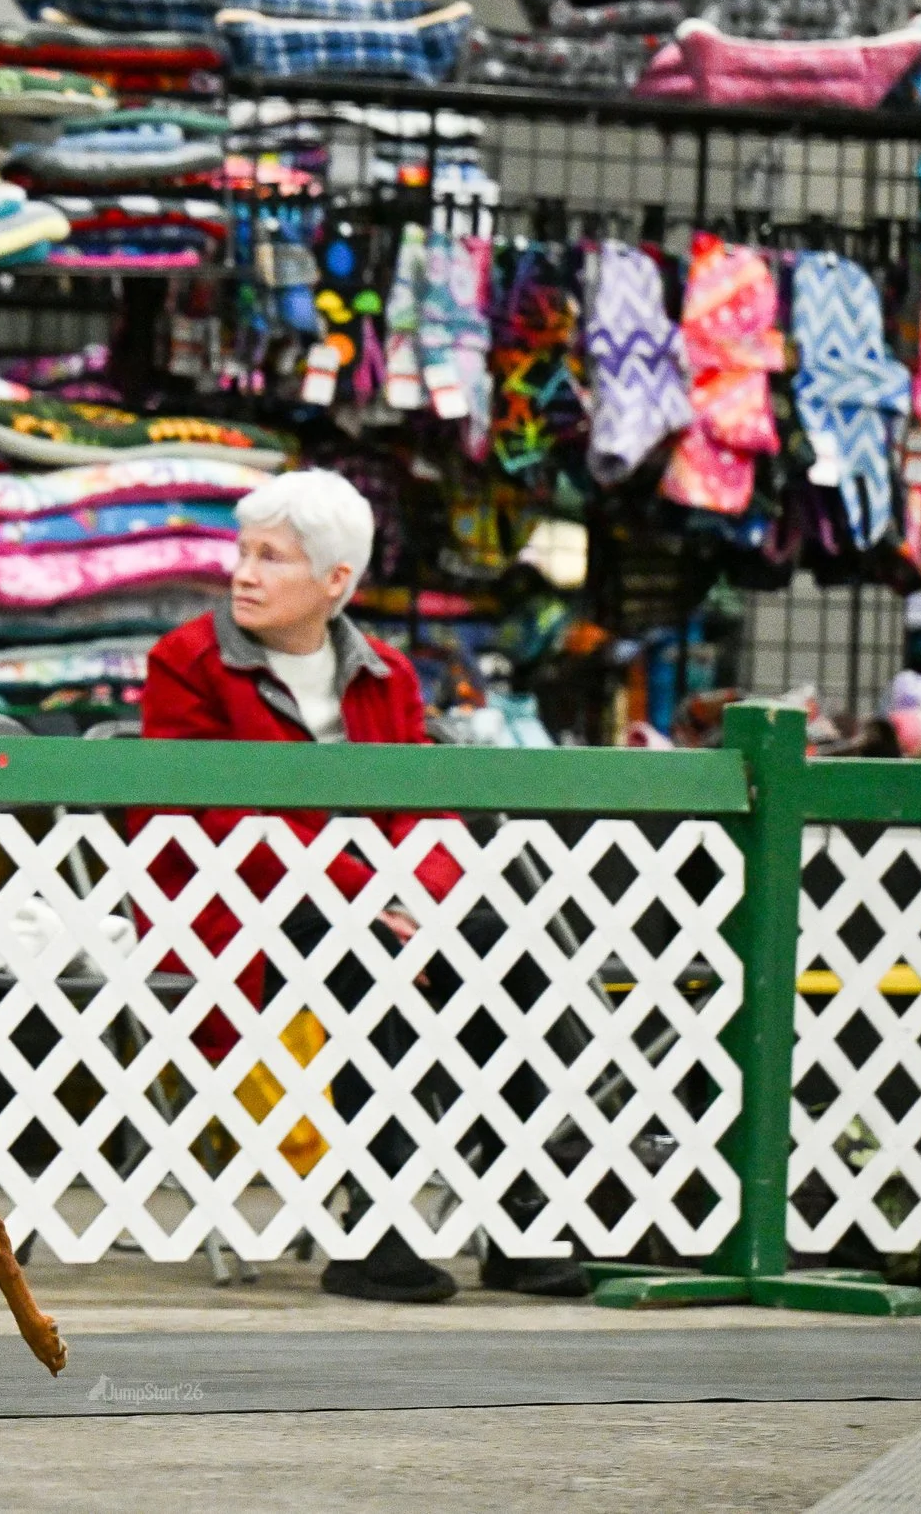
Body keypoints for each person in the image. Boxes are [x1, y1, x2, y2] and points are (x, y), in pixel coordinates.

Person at [139, 470, 587, 1302]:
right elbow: (226, 822)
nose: (243, 571)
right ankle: (372, 1227)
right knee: (365, 953)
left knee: (507, 950)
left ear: (335, 580)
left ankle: (519, 1216)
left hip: (378, 912)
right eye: (243, 552)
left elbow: (426, 808)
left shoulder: (386, 673)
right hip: (236, 917)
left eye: (271, 557)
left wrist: (413, 901)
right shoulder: (187, 663)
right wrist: (369, 901)